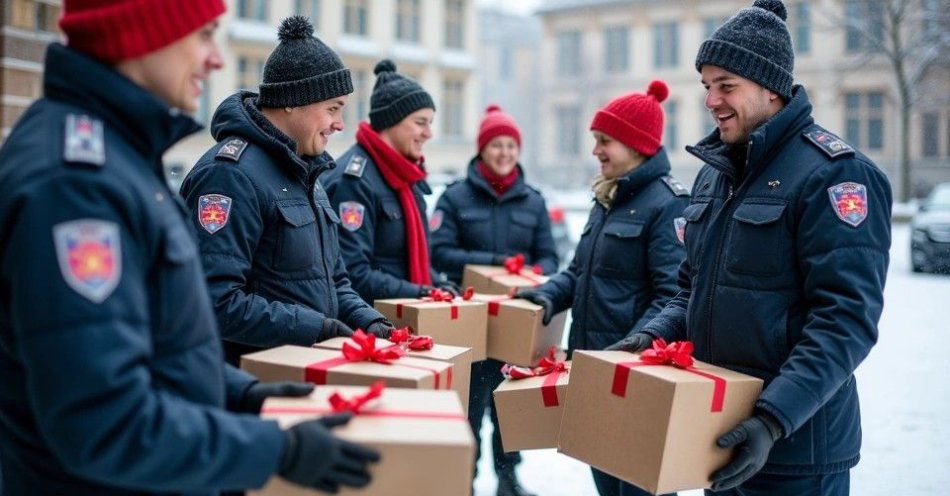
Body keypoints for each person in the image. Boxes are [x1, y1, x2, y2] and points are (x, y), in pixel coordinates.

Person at [0, 2, 378, 494]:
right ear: (142, 34)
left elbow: (158, 340)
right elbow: (104, 422)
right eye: (202, 35)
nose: (216, 59)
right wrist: (275, 450)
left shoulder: (119, 154)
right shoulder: (75, 182)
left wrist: (242, 394)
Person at [608, 1, 892, 495]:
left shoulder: (835, 175)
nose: (711, 100)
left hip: (796, 451)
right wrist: (647, 336)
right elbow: (690, 290)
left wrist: (772, 420)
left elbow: (844, 320)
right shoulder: (715, 175)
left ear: (770, 87)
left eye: (726, 86)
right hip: (718, 437)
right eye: (706, 86)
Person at [180, 16, 394, 366]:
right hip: (251, 384)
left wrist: (369, 321)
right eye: (333, 109)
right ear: (293, 101)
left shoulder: (307, 171)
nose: (340, 124)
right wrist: (317, 329)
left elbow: (334, 280)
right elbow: (214, 301)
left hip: (306, 372)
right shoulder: (230, 176)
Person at [517, 81, 688, 496]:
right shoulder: (607, 199)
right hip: (593, 372)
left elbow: (673, 297)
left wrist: (631, 350)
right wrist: (548, 294)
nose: (596, 150)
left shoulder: (668, 205)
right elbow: (579, 272)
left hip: (636, 382)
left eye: (604, 141)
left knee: (637, 488)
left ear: (636, 145)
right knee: (606, 484)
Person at [430, 105, 559, 496]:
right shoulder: (455, 198)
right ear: (482, 149)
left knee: (509, 412)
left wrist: (530, 274)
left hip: (517, 328)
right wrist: (496, 265)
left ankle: (508, 480)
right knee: (467, 412)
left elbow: (550, 258)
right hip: (467, 326)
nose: (504, 153)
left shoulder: (533, 202)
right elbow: (438, 252)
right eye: (496, 145)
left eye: (511, 146)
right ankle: (464, 483)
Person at [323, 60, 458, 303]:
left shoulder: (405, 175)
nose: (429, 134)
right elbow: (353, 273)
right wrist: (420, 293)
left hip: (403, 315)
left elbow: (407, 260)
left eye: (430, 123)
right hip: (370, 325)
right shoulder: (354, 181)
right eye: (420, 123)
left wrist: (438, 283)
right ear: (390, 121)